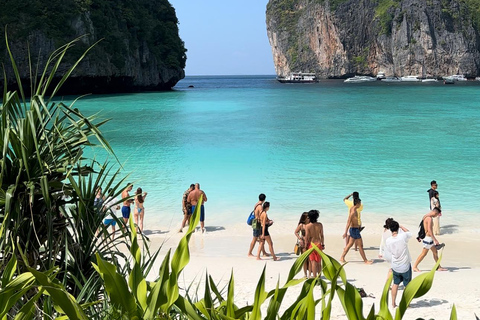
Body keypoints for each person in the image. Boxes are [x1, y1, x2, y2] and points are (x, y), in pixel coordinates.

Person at [384, 220, 412, 308]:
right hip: (405, 265)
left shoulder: (388, 240)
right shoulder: (402, 237)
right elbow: (409, 232)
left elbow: (389, 251)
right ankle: (406, 303)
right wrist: (401, 226)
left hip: (395, 265)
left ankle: (393, 303)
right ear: (397, 228)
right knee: (407, 285)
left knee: (395, 284)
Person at [413, 207, 447, 272]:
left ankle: (438, 267)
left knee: (435, 252)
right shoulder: (429, 219)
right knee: (423, 254)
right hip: (428, 239)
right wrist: (435, 240)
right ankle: (415, 266)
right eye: (437, 215)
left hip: (428, 239)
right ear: (435, 212)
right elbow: (429, 230)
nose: (436, 216)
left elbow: (423, 228)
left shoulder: (425, 216)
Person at [340, 198, 373, 264]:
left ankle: (342, 257)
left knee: (350, 244)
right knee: (360, 246)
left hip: (354, 230)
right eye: (360, 203)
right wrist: (345, 232)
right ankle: (365, 261)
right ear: (357, 203)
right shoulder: (353, 212)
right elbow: (348, 222)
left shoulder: (352, 208)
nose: (361, 204)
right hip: (354, 230)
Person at [304, 210, 324, 278]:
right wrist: (323, 244)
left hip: (311, 245)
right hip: (318, 244)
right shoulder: (320, 225)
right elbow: (322, 235)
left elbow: (307, 237)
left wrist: (305, 245)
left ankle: (315, 277)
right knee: (319, 262)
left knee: (313, 262)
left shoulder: (307, 226)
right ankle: (319, 276)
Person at [294, 212, 310, 277]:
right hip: (303, 243)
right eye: (308, 217)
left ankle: (309, 273)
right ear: (305, 218)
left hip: (309, 242)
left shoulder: (310, 224)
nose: (309, 218)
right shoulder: (301, 225)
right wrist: (300, 239)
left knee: (310, 259)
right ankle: (305, 274)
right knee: (304, 259)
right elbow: (295, 232)